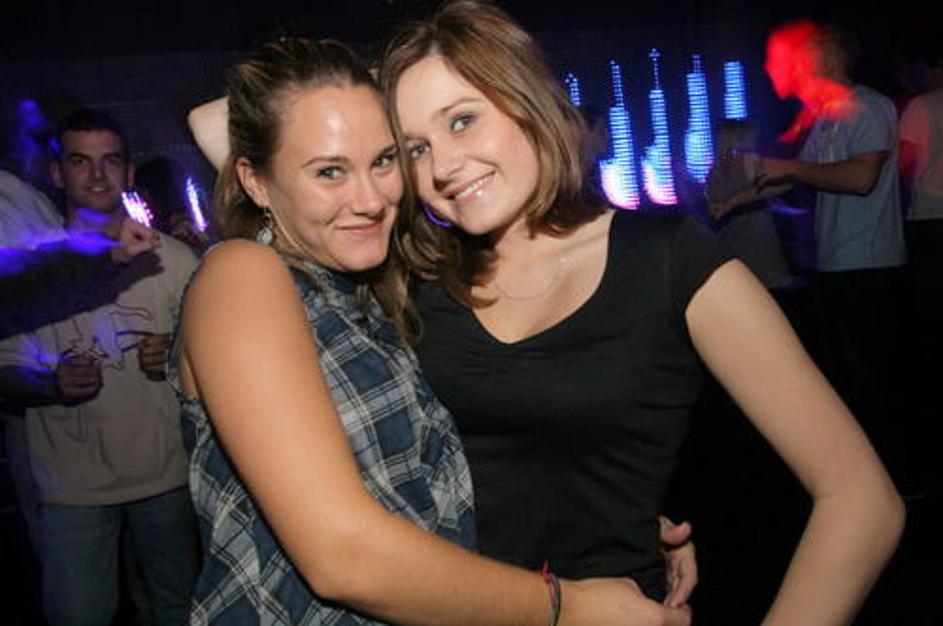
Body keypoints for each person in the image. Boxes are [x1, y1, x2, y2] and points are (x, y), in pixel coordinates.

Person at [377, 1, 903, 623]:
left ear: (528, 103)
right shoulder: (415, 282)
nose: (441, 167)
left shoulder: (667, 260)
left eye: (463, 121)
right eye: (415, 148)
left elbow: (861, 498)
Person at [177, 35, 694, 625]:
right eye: (330, 171)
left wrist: (612, 517)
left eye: (384, 160)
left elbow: (438, 477)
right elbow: (342, 557)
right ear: (254, 181)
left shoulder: (368, 292)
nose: (370, 199)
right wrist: (570, 609)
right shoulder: (241, 276)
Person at [0, 108, 200, 626]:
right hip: (72, 489)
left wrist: (176, 355)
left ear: (128, 172)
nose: (95, 175)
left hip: (167, 476)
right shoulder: (31, 273)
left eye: (109, 161)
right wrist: (50, 384)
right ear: (57, 173)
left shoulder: (175, 260)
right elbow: (6, 374)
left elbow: (217, 364)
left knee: (179, 609)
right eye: (79, 161)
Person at [726, 19, 908, 486]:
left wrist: (784, 166)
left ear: (823, 55)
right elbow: (793, 175)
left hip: (868, 263)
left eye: (789, 56)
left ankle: (896, 479)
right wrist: (731, 202)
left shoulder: (868, 106)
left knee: (871, 378)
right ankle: (864, 478)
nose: (779, 68)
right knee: (847, 378)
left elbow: (861, 178)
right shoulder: (825, 114)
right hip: (837, 263)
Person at [705, 119, 793, 290]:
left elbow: (767, 190)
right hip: (736, 234)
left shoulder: (746, 162)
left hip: (752, 232)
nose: (718, 140)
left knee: (759, 282)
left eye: (722, 136)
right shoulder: (716, 169)